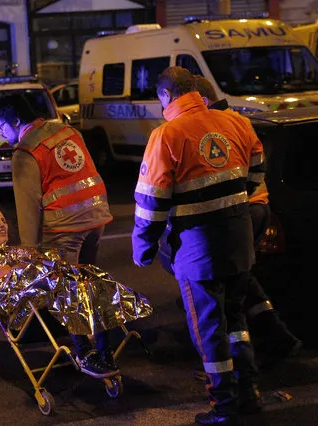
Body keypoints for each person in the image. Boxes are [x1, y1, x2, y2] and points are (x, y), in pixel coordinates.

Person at [132, 66, 265, 425]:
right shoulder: (236, 122)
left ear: (164, 96)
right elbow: (255, 173)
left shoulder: (166, 135)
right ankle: (248, 391)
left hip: (197, 252)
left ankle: (224, 406)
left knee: (209, 330)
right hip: (239, 243)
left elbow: (151, 202)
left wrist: (142, 249)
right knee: (235, 320)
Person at [0, 94, 117, 379]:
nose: (0, 132)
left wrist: (29, 251)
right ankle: (106, 349)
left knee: (68, 292)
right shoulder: (67, 131)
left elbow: (28, 207)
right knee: (89, 283)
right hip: (96, 218)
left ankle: (84, 353)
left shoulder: (26, 152)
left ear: (15, 121)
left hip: (65, 229)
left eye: (1, 126)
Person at [193, 75, 303, 364]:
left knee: (232, 292)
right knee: (244, 277)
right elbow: (256, 167)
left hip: (241, 213)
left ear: (202, 101)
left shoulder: (213, 127)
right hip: (256, 206)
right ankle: (277, 335)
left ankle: (245, 366)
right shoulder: (238, 120)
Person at [0, 207, 152, 369]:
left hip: (49, 307)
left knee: (89, 280)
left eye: (3, 220)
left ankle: (104, 353)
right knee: (63, 287)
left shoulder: (18, 251)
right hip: (24, 318)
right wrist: (20, 274)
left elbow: (49, 263)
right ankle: (84, 353)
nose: (2, 224)